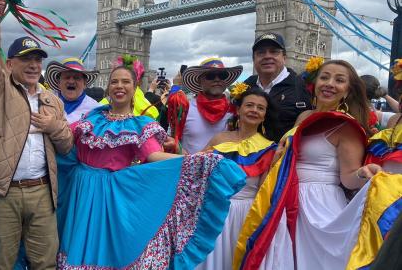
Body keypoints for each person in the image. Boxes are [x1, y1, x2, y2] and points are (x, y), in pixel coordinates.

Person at [56, 65, 246, 268]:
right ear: (108, 88)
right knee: (77, 248)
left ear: (135, 87)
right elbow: (65, 142)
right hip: (80, 191)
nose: (119, 86)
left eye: (125, 82)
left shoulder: (140, 125)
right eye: (114, 82)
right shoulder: (92, 118)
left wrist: (195, 160)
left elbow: (153, 155)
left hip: (111, 196)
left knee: (107, 250)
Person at [235, 60, 390, 270]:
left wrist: (363, 173)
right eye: (325, 77)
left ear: (347, 91)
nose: (330, 83)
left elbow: (348, 177)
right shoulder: (304, 116)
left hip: (318, 206)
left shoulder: (346, 126)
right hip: (285, 198)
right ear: (315, 83)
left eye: (339, 80)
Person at [0, 0, 73, 270]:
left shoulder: (53, 101)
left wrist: (54, 127)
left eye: (38, 60)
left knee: (45, 263)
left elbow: (67, 145)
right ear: (9, 65)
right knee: (2, 263)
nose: (34, 65)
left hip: (42, 192)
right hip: (3, 193)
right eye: (26, 59)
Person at [196, 87, 293, 270]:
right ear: (238, 109)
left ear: (264, 116)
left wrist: (275, 163)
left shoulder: (269, 148)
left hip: (246, 213)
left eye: (260, 108)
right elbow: (196, 169)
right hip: (214, 210)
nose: (254, 110)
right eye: (249, 105)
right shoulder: (219, 139)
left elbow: (264, 191)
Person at [244, 32, 312, 140]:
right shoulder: (246, 86)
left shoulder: (302, 86)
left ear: (284, 57)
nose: (267, 56)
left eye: (274, 52)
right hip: (247, 154)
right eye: (261, 53)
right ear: (254, 59)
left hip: (284, 155)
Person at [180, 58, 243, 154]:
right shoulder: (184, 109)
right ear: (200, 81)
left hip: (225, 168)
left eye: (222, 76)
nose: (217, 79)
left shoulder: (235, 111)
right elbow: (173, 141)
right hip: (190, 167)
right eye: (211, 76)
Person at [45, 57, 100, 124]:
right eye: (67, 77)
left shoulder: (95, 109)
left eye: (76, 78)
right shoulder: (46, 101)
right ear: (58, 82)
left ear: (84, 84)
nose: (71, 81)